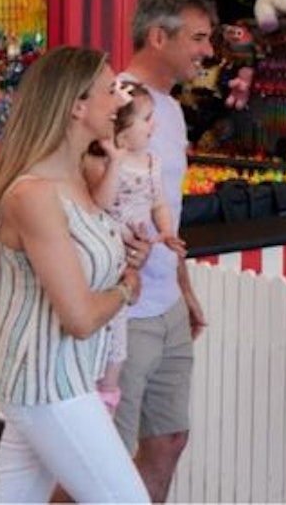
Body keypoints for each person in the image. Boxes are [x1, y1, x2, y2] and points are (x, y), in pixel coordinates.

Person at [0, 46, 150, 503]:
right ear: (76, 106)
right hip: (48, 383)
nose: (121, 101)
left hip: (55, 379)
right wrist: (127, 289)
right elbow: (79, 317)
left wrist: (128, 258)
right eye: (111, 90)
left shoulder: (76, 181)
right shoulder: (33, 194)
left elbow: (89, 269)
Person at [115, 0, 214, 501]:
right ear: (158, 36)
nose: (208, 51)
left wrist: (184, 287)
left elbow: (164, 209)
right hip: (121, 311)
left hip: (167, 304)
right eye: (198, 38)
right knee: (103, 456)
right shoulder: (110, 103)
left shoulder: (171, 111)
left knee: (170, 439)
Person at [84, 83, 175, 412]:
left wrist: (166, 233)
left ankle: (107, 390)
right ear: (121, 133)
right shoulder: (102, 164)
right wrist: (116, 163)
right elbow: (101, 202)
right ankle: (101, 389)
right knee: (98, 322)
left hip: (131, 259)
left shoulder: (153, 164)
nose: (155, 126)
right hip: (107, 252)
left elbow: (159, 204)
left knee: (116, 328)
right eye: (147, 118)